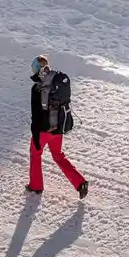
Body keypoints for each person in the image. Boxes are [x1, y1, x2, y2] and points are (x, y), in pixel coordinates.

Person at [26, 54, 88, 198]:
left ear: (36, 69)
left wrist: (35, 133)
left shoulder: (37, 88)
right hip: (58, 128)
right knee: (58, 156)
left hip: (43, 131)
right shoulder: (55, 83)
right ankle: (80, 183)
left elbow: (36, 114)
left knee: (35, 155)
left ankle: (36, 186)